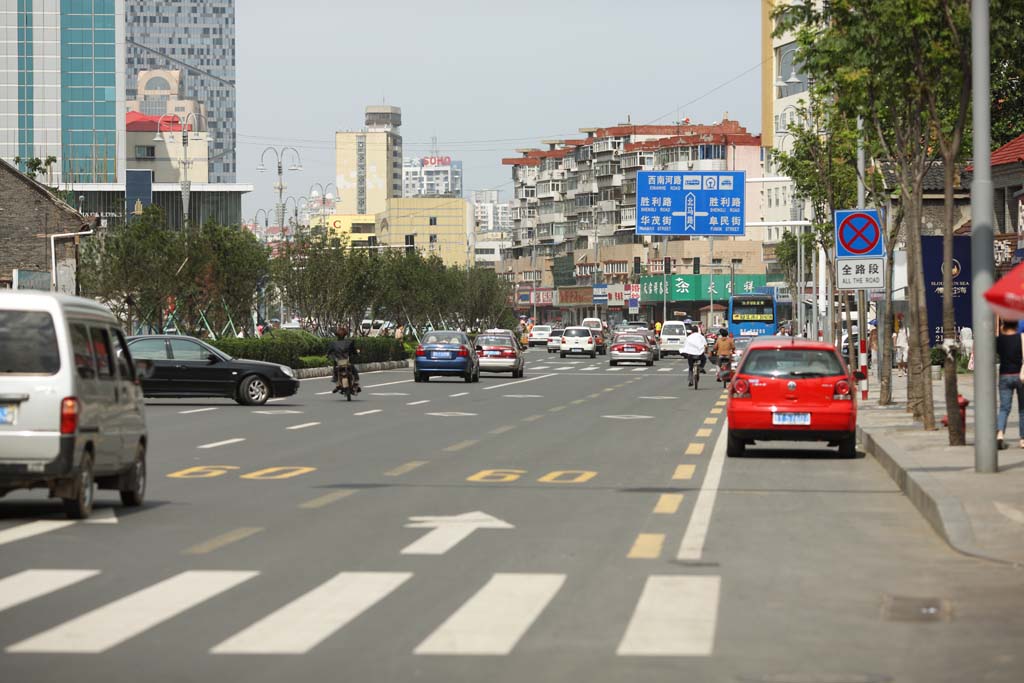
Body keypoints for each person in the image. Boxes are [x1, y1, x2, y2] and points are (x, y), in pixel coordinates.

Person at [995, 319, 1024, 450]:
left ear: (1003, 325)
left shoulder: (999, 340)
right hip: (1020, 376)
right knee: (1023, 410)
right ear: (1017, 325)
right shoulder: (1021, 337)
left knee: (1004, 408)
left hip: (1004, 375)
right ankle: (1023, 440)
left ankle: (1000, 434)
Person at [327, 326, 360, 393]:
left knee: (335, 371)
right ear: (345, 335)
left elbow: (329, 352)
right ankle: (355, 382)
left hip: (338, 362)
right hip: (347, 362)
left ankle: (337, 384)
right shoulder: (349, 342)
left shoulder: (333, 343)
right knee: (353, 370)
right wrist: (357, 354)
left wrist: (328, 355)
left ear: (336, 335)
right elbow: (354, 351)